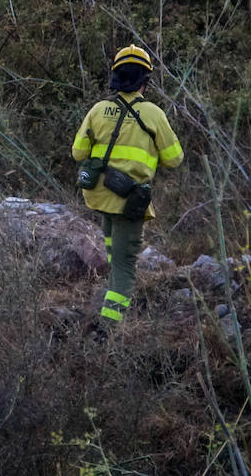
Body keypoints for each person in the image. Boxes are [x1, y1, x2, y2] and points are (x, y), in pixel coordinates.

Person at [71, 45, 184, 329]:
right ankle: (108, 331)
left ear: (116, 76)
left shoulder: (98, 110)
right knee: (124, 267)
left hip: (99, 194)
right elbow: (174, 159)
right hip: (129, 200)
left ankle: (109, 299)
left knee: (114, 251)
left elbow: (78, 153)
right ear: (146, 80)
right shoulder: (154, 114)